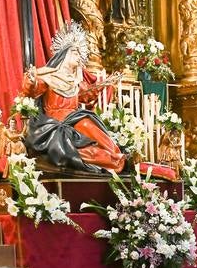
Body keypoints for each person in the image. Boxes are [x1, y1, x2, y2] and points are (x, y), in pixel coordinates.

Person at [20, 22, 126, 175]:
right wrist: (31, 79)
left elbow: (87, 95)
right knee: (76, 142)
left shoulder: (75, 81)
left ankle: (116, 157)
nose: (79, 57)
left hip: (75, 116)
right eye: (75, 53)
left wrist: (106, 83)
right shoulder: (50, 76)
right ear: (66, 55)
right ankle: (108, 159)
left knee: (92, 127)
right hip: (55, 122)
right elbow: (32, 90)